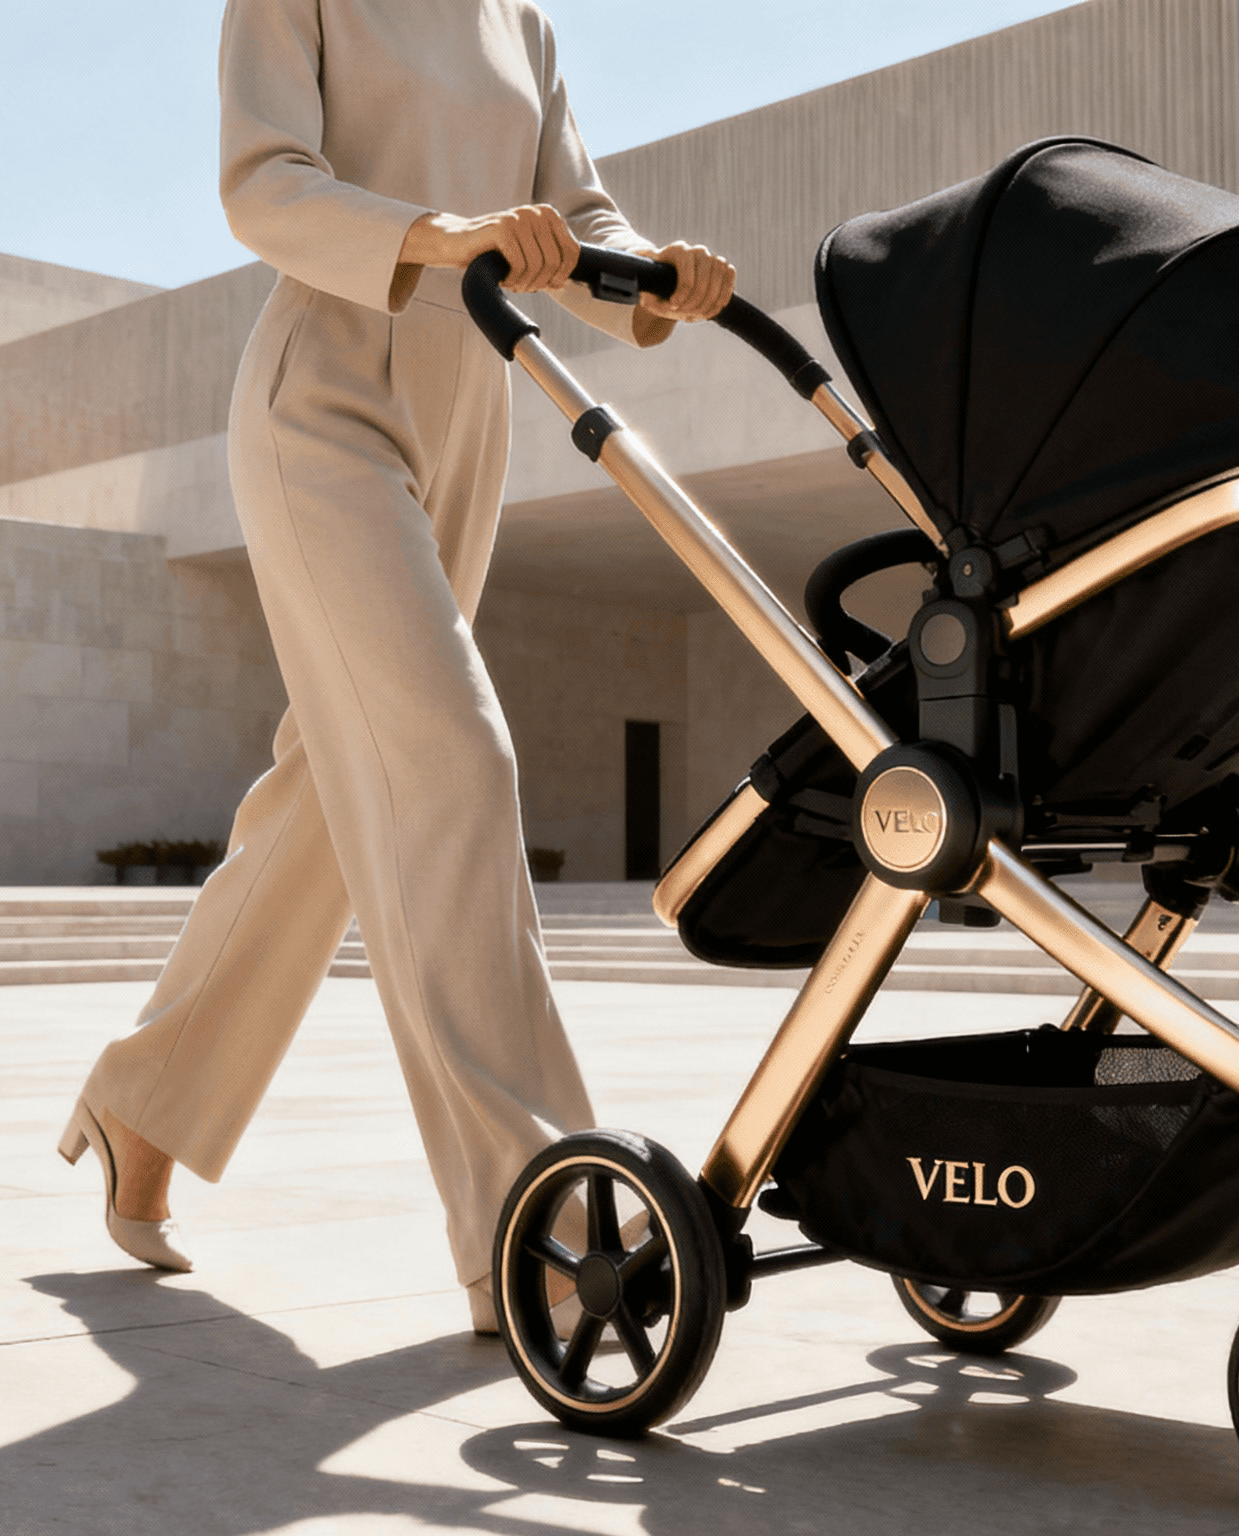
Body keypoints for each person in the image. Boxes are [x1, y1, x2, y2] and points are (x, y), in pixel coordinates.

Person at [56, 0, 736, 1335]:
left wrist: (657, 276)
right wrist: (443, 238)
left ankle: (146, 1097)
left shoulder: (518, 21)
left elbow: (577, 218)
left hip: (468, 412)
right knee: (451, 760)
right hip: (323, 403)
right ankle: (530, 1216)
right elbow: (265, 186)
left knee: (330, 791)